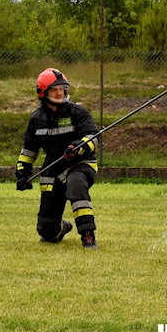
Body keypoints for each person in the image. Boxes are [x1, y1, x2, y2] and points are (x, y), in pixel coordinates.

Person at [15, 68, 101, 250]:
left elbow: (94, 137)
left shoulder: (78, 113)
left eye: (62, 88)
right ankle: (62, 227)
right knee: (46, 232)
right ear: (42, 92)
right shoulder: (36, 119)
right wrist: (22, 173)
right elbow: (29, 150)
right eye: (54, 89)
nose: (60, 92)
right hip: (53, 168)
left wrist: (77, 147)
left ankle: (88, 235)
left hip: (81, 163)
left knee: (75, 183)